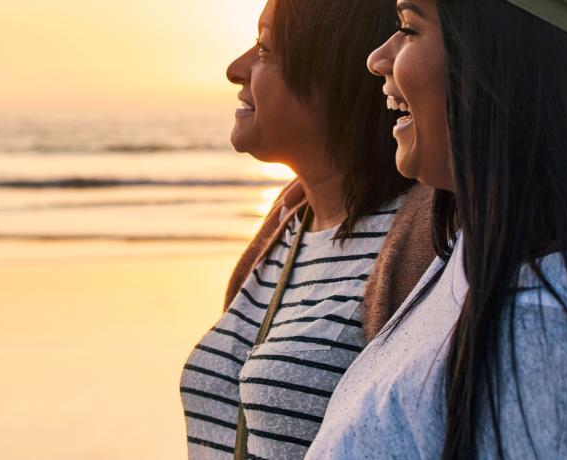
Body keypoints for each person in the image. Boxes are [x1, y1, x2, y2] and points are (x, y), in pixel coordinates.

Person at [307, 0, 567, 458]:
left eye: (409, 29)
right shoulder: (471, 262)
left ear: (502, 67)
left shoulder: (549, 337)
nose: (379, 58)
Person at [177, 0, 443, 458]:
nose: (235, 68)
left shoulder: (429, 241)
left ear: (334, 73)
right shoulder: (286, 224)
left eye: (264, 48)